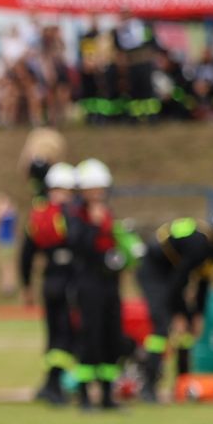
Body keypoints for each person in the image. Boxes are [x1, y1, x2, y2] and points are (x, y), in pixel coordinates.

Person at [134, 208, 213, 403]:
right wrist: (177, 313)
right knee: (161, 328)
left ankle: (182, 383)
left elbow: (204, 282)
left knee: (187, 333)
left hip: (172, 278)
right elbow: (177, 282)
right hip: (153, 272)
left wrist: (197, 315)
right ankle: (148, 385)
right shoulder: (199, 244)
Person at [67, 159, 126, 410]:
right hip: (87, 282)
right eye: (93, 189)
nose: (98, 194)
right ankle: (84, 395)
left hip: (109, 283)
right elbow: (78, 247)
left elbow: (115, 246)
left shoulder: (108, 215)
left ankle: (107, 395)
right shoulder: (75, 216)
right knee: (89, 337)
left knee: (111, 336)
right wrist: (93, 224)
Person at [18, 163, 80, 406]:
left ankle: (49, 384)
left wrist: (26, 286)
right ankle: (56, 386)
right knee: (65, 334)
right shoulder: (71, 213)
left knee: (52, 332)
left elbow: (26, 254)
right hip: (69, 280)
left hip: (49, 280)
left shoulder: (38, 214)